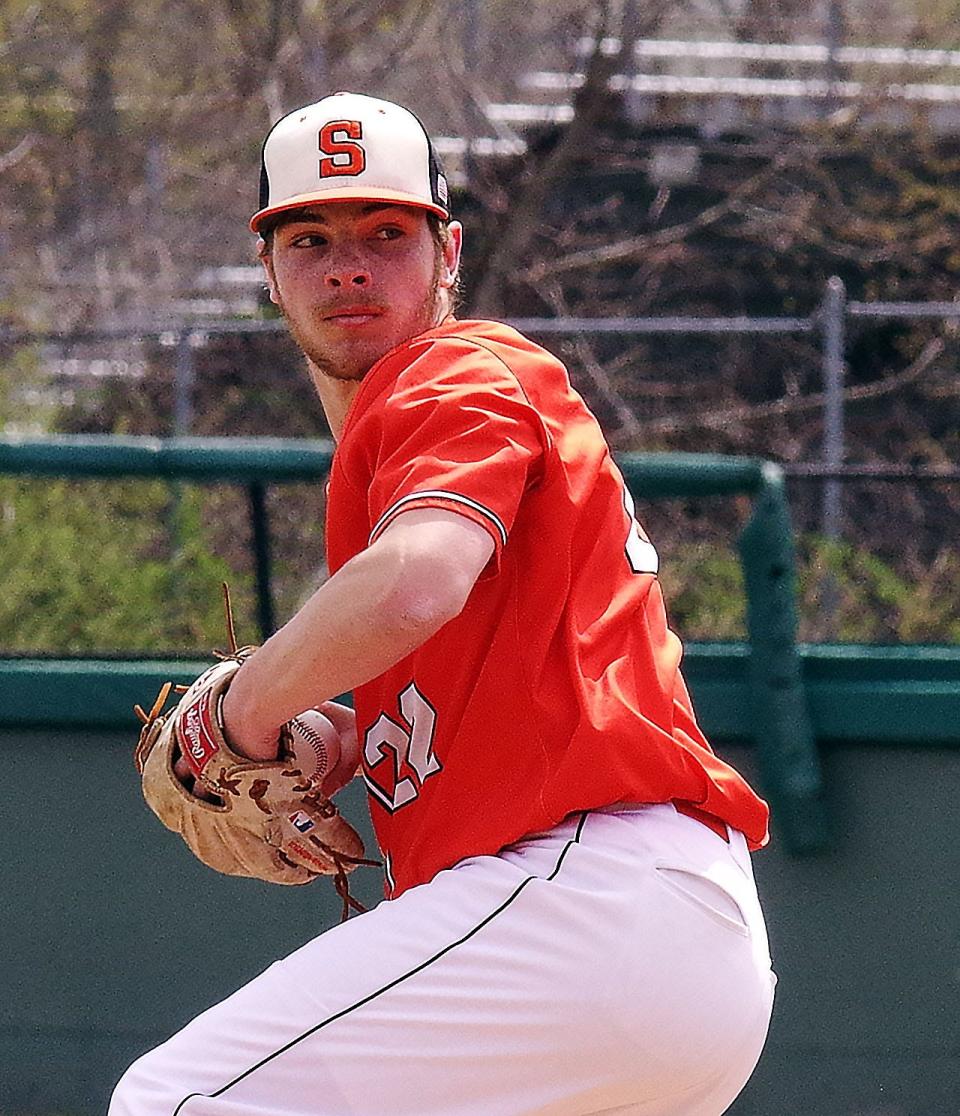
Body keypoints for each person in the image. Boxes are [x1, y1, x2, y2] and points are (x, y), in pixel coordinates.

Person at [110, 91, 776, 1116]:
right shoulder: (408, 443)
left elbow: (418, 581)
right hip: (662, 954)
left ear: (448, 251)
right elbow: (462, 644)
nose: (349, 265)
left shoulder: (453, 373)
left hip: (588, 905)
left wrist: (239, 717)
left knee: (178, 1101)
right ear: (269, 273)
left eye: (387, 233)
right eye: (311, 237)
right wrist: (339, 733)